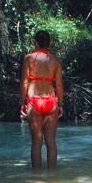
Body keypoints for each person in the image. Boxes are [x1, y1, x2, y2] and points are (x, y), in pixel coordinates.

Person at [19, 30, 64, 170]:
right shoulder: (55, 61)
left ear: (36, 42)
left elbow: (24, 83)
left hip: (34, 100)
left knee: (36, 142)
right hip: (51, 101)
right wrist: (60, 104)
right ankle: (52, 177)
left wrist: (22, 102)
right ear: (49, 44)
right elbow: (59, 85)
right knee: (51, 142)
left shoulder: (29, 58)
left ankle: (36, 178)